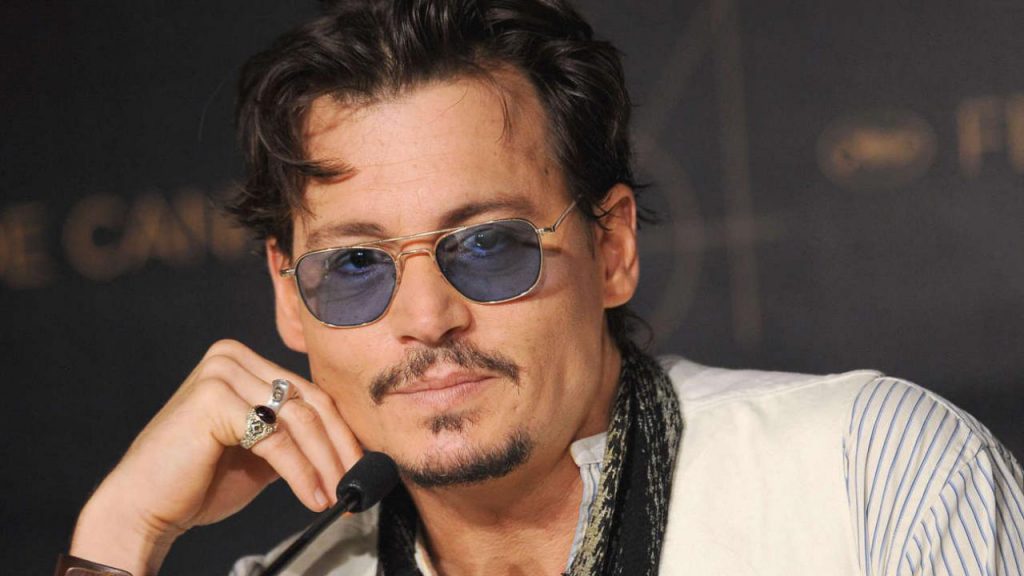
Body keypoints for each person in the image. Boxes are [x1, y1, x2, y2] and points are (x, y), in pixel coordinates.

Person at [57, 1, 1024, 575]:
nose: (427, 318)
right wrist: (118, 533)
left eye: (489, 247)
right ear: (287, 296)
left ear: (612, 248)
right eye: (354, 267)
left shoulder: (871, 479)